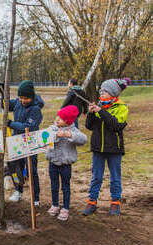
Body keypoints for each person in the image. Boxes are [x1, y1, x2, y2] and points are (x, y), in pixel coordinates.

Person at [83, 78, 130, 216]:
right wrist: (91, 113)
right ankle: (92, 201)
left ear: (114, 94)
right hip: (98, 149)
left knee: (115, 177)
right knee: (96, 176)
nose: (101, 93)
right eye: (101, 91)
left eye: (105, 91)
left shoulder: (121, 107)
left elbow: (116, 125)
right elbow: (89, 126)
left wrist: (101, 111)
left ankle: (115, 202)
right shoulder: (98, 105)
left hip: (114, 149)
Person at [46, 105, 87, 221]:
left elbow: (83, 139)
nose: (57, 119)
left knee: (65, 186)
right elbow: (44, 137)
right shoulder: (53, 128)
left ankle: (65, 208)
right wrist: (56, 135)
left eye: (61, 118)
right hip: (53, 163)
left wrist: (71, 136)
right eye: (57, 117)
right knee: (54, 185)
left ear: (68, 121)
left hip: (66, 165)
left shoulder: (73, 130)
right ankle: (54, 205)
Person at [5, 80, 43, 204]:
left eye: (26, 98)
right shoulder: (17, 102)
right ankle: (18, 191)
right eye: (20, 98)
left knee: (31, 170)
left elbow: (28, 127)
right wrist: (3, 97)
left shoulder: (36, 109)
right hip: (17, 142)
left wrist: (11, 124)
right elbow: (5, 105)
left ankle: (35, 197)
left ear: (31, 97)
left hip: (31, 143)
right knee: (17, 169)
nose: (22, 101)